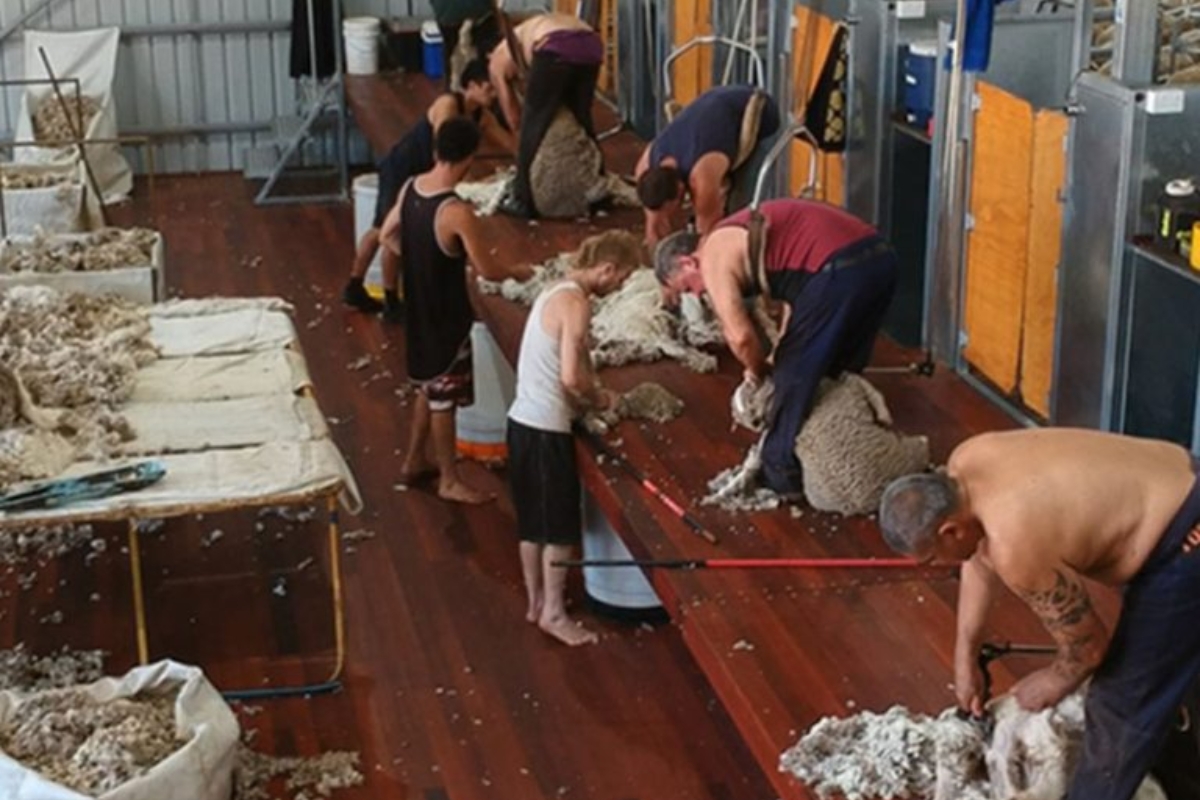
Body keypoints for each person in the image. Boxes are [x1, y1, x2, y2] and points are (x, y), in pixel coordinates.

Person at [878, 428, 1200, 800]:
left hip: (1188, 536)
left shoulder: (1015, 544)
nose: (935, 566)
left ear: (949, 529)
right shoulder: (966, 461)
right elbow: (978, 560)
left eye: (932, 557)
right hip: (1181, 479)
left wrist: (1054, 680)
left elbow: (1089, 648)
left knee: (1120, 704)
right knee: (1167, 665)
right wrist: (964, 656)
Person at [653, 198, 896, 496]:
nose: (698, 294)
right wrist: (780, 351)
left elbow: (739, 337)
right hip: (879, 258)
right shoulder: (739, 234)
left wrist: (760, 373)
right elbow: (799, 294)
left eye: (688, 287)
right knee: (838, 373)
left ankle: (780, 475)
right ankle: (850, 454)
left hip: (836, 269)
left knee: (791, 381)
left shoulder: (713, 254)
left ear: (687, 262)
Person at [379, 116, 531, 504]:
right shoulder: (455, 211)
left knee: (426, 386)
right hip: (446, 315)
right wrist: (517, 270)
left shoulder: (411, 187)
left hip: (418, 308)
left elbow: (387, 234)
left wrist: (417, 262)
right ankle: (449, 479)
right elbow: (487, 270)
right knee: (443, 394)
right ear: (468, 158)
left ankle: (414, 460)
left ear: (436, 150)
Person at [506, 230, 640, 645]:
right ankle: (555, 613)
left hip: (520, 423)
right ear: (607, 269)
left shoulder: (554, 290)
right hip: (547, 431)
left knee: (532, 526)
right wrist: (598, 397)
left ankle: (534, 604)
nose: (619, 287)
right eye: (622, 279)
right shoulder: (577, 304)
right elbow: (570, 375)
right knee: (561, 531)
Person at [343, 59, 514, 323]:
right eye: (489, 89)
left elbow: (509, 144)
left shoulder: (482, 116)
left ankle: (368, 290)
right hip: (403, 168)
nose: (493, 95)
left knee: (389, 230)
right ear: (471, 86)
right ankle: (381, 295)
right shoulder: (448, 105)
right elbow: (442, 149)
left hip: (425, 173)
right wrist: (461, 183)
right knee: (384, 230)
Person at [488, 12, 603, 218]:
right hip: (591, 43)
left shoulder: (496, 61)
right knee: (583, 120)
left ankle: (522, 199)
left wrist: (521, 144)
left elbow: (514, 117)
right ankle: (599, 186)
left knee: (533, 124)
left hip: (555, 46)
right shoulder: (524, 32)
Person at [635, 85, 781, 246]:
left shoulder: (701, 176)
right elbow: (652, 213)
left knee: (740, 206)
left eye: (672, 209)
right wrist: (654, 232)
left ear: (680, 190)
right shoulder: (645, 165)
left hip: (760, 109)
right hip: (715, 102)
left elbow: (708, 229)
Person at [431, 0, 502, 88]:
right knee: (488, 65)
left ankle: (453, 92)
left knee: (453, 61)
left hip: (447, 15)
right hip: (480, 14)